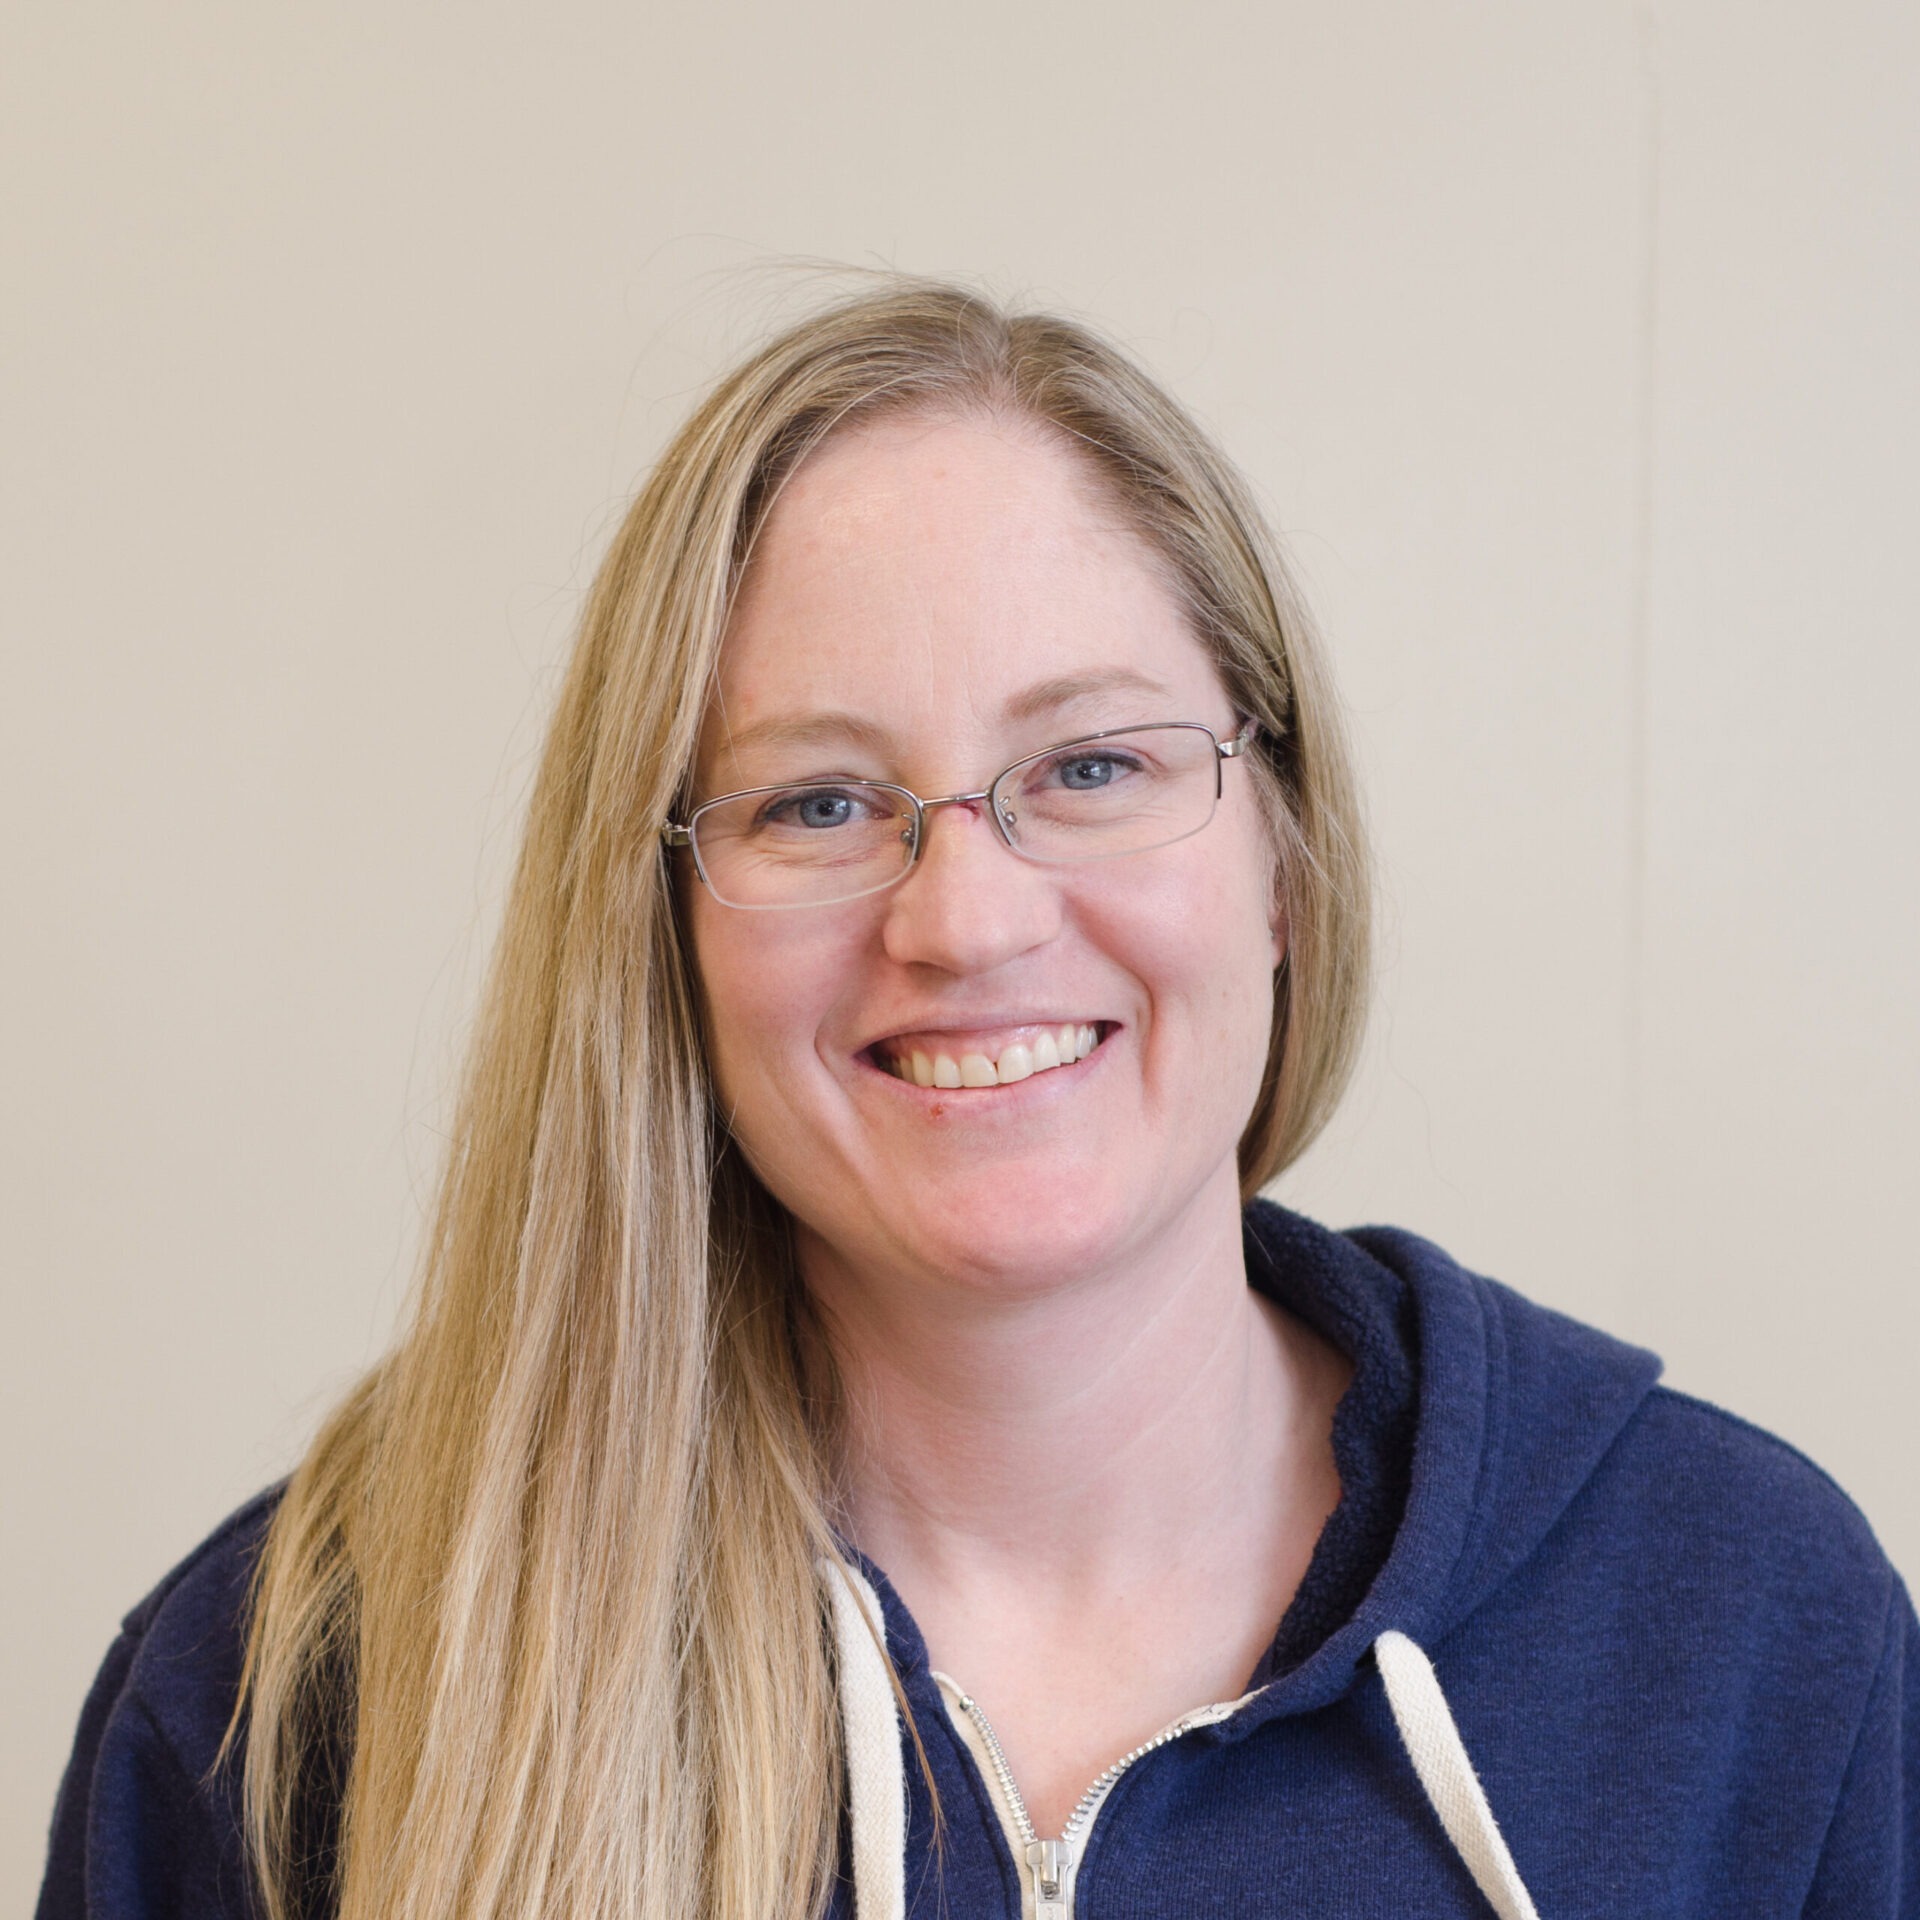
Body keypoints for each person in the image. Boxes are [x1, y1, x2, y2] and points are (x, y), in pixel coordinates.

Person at [37, 280, 1917, 1920]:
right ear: (662, 926)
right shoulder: (295, 1686)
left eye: (1091, 762)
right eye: (820, 803)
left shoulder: (1736, 1620)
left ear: (1283, 856)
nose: (967, 918)